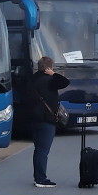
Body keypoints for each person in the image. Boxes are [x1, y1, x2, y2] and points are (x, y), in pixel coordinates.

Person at [30, 56, 70, 187]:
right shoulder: (49, 81)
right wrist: (54, 74)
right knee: (43, 151)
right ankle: (41, 179)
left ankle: (37, 177)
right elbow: (65, 82)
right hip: (47, 120)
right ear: (49, 68)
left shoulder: (34, 80)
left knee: (38, 150)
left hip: (34, 120)